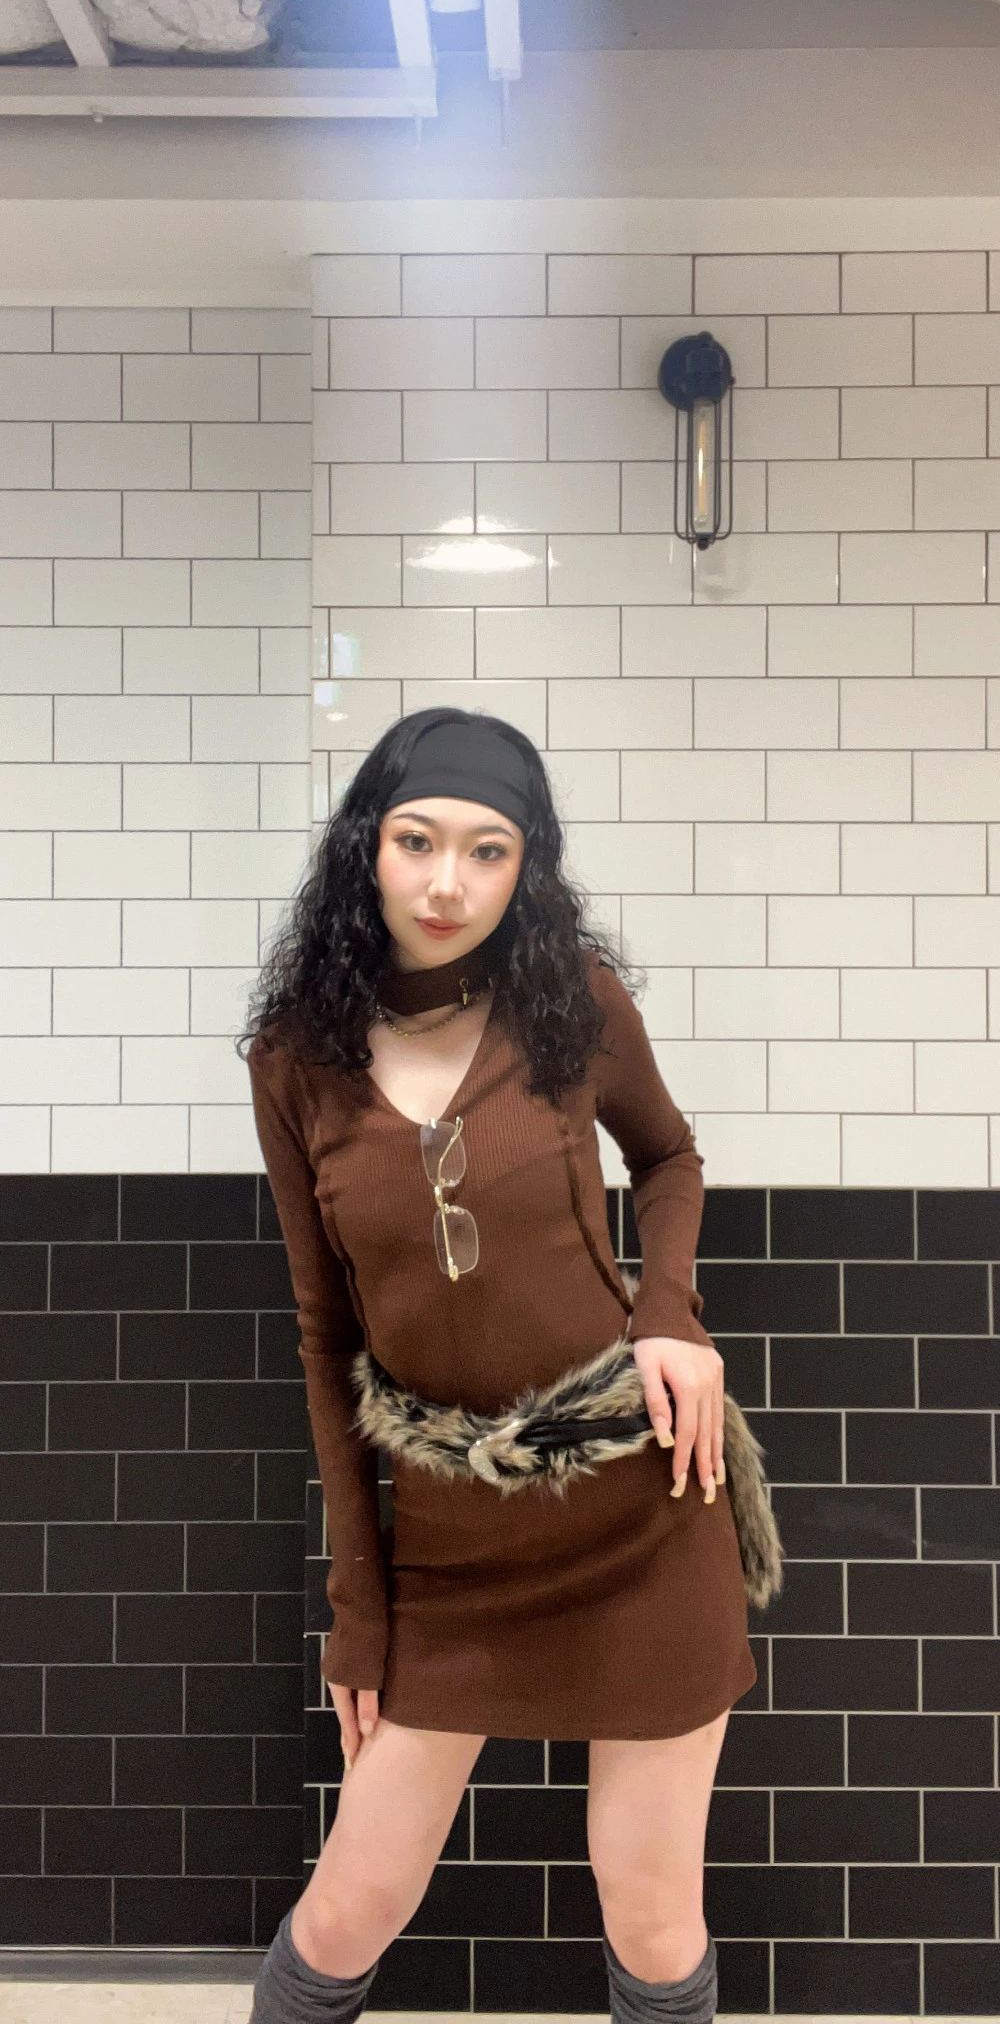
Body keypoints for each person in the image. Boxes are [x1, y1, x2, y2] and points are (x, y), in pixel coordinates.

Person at [239, 705, 758, 2024]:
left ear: (526, 868)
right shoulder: (295, 1059)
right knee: (347, 1906)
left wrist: (670, 1315)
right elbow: (326, 1335)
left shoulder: (569, 1001)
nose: (447, 883)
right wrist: (359, 1605)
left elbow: (670, 1156)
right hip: (453, 1539)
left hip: (641, 1508)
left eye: (488, 851)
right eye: (416, 842)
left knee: (652, 1915)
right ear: (367, 846)